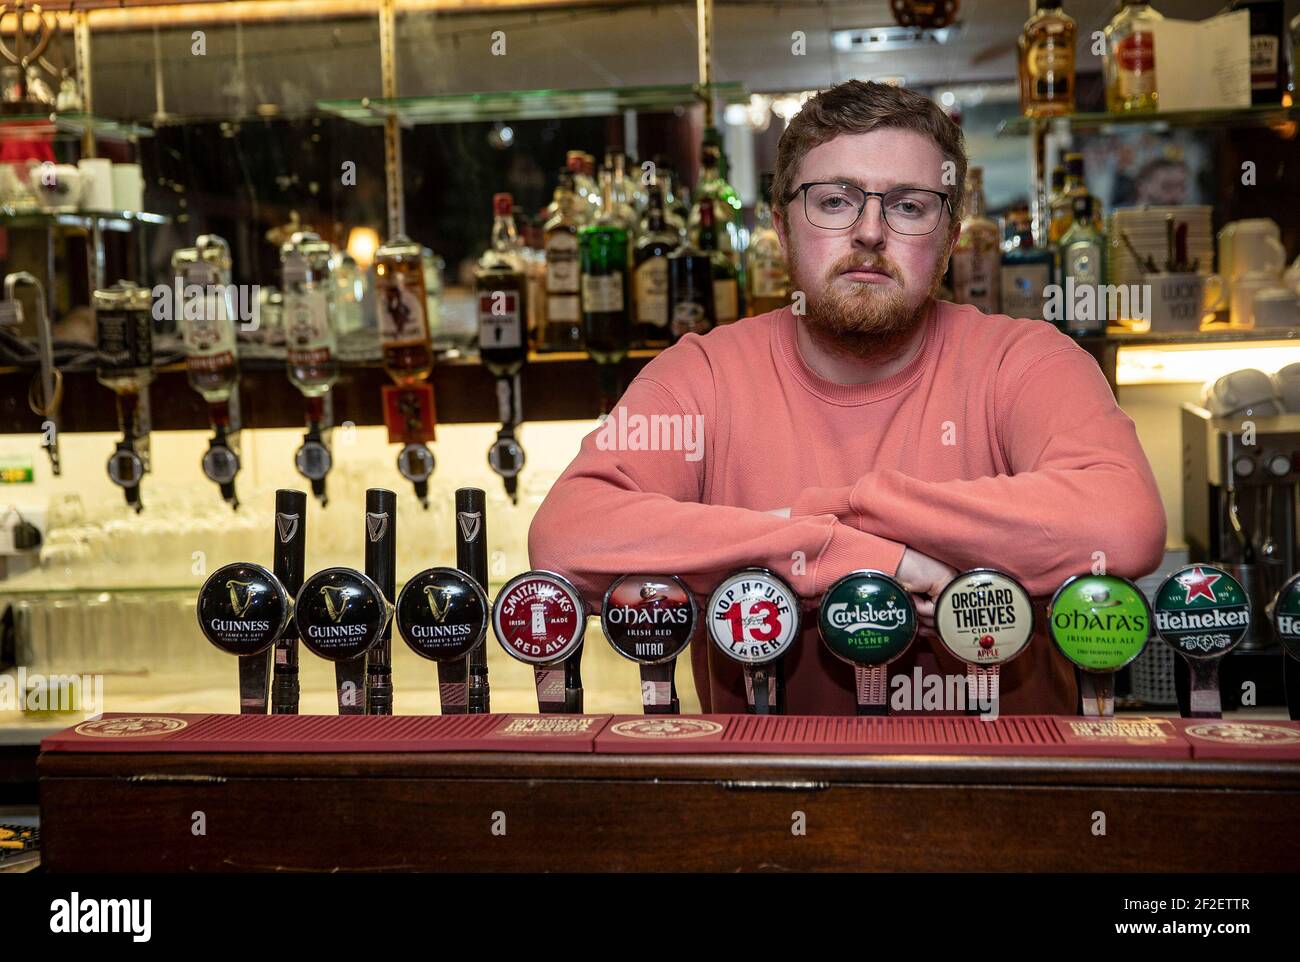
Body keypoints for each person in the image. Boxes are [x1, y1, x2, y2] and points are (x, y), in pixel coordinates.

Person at [528, 79, 1166, 714]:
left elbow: (1123, 525)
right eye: (834, 201)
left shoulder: (1026, 359)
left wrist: (837, 512)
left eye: (910, 206)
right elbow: (566, 538)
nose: (868, 231)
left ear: (949, 239)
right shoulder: (704, 375)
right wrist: (839, 553)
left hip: (1001, 790)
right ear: (781, 227)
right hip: (770, 795)